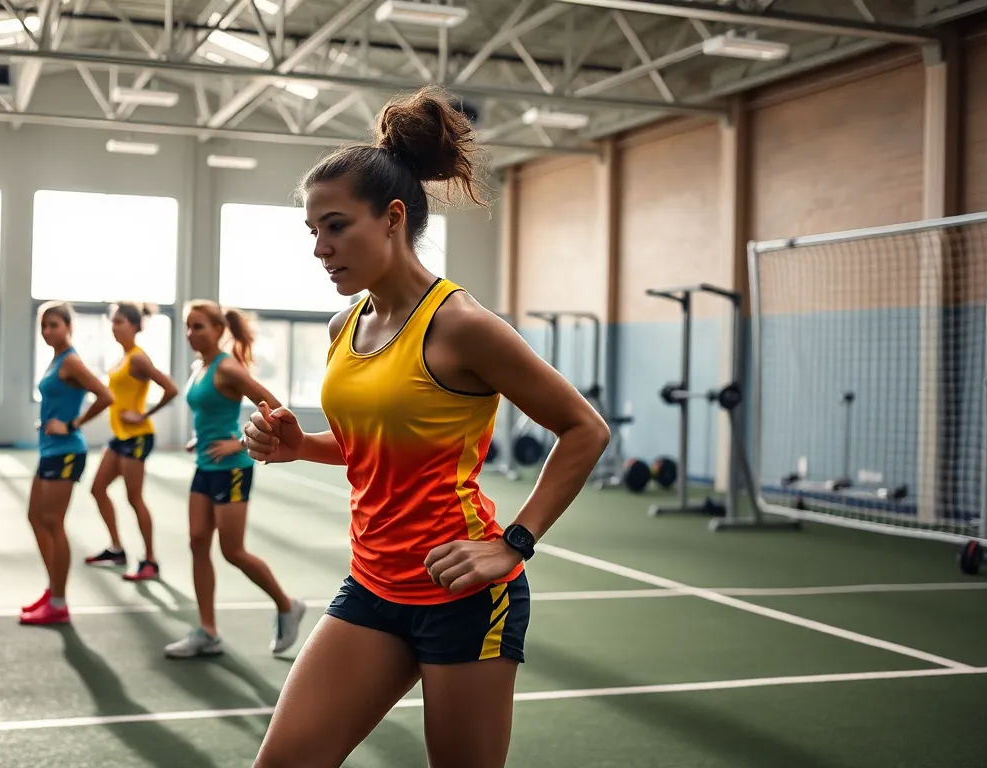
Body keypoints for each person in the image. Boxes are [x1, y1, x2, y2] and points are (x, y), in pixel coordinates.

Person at [242, 86, 612, 767]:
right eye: (312, 232)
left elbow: (584, 429)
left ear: (390, 218)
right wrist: (301, 447)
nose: (320, 249)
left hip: (464, 596)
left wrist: (513, 542)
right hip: (373, 587)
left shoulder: (460, 326)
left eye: (335, 226)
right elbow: (369, 452)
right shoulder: (343, 325)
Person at [162, 300, 307, 659]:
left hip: (232, 470)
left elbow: (273, 408)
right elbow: (212, 413)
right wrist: (203, 438)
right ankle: (207, 632)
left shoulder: (227, 367)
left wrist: (239, 441)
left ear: (218, 330)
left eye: (199, 326)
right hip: (205, 465)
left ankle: (287, 605)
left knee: (232, 551)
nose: (191, 333)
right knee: (197, 542)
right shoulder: (201, 367)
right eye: (188, 326)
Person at [21, 301, 116, 626]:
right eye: (44, 326)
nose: (48, 331)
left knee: (52, 522)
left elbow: (105, 395)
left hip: (66, 452)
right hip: (49, 449)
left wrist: (72, 425)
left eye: (54, 325)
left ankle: (59, 602)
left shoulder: (72, 360)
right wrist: (50, 421)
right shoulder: (56, 360)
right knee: (35, 517)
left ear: (68, 327)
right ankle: (53, 589)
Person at [84, 302, 180, 581]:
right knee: (97, 488)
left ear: (136, 326)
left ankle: (151, 560)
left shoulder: (138, 358)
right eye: (113, 321)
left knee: (134, 498)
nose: (114, 326)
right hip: (120, 437)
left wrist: (143, 414)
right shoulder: (121, 358)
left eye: (120, 321)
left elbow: (170, 388)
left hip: (138, 437)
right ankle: (116, 549)